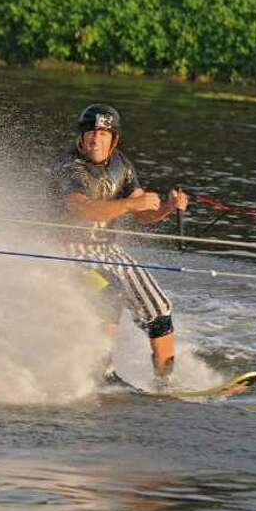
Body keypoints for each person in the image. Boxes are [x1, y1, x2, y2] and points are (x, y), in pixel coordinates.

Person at [50, 103, 189, 386]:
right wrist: (129, 203)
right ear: (81, 136)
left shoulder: (121, 165)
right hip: (68, 252)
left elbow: (144, 213)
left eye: (103, 133)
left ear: (114, 139)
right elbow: (84, 209)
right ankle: (102, 374)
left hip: (108, 251)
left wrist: (166, 208)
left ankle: (165, 381)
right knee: (108, 295)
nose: (96, 139)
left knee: (159, 307)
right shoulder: (68, 166)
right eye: (91, 133)